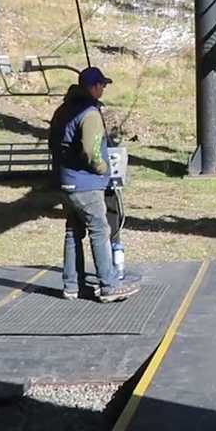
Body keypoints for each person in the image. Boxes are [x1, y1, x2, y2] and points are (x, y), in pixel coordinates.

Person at [48, 67, 140, 302]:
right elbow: (91, 151)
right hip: (86, 185)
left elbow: (53, 144)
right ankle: (109, 286)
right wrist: (103, 170)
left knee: (72, 232)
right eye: (102, 85)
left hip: (65, 182)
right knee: (100, 231)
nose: (103, 89)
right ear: (94, 86)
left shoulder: (62, 110)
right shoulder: (89, 114)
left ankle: (71, 285)